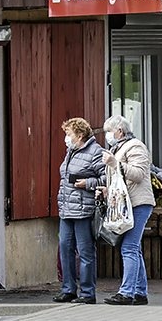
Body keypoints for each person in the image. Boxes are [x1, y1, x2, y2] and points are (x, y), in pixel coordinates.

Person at [101, 115, 155, 305]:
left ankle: (127, 293)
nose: (107, 135)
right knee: (134, 248)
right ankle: (140, 292)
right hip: (128, 203)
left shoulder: (135, 146)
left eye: (109, 131)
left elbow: (139, 174)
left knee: (129, 247)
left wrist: (115, 164)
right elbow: (119, 179)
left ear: (120, 131)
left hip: (139, 203)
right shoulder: (117, 148)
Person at [52, 118, 106, 304]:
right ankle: (68, 289)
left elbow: (106, 177)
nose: (66, 138)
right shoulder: (71, 152)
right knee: (65, 249)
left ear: (80, 135)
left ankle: (88, 292)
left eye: (69, 134)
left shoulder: (95, 152)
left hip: (84, 210)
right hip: (66, 208)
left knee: (85, 251)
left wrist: (88, 183)